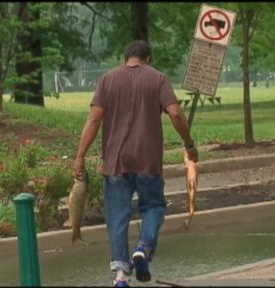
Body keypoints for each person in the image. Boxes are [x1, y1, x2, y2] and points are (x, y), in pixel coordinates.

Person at [74, 40, 198, 287]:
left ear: (125, 59)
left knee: (117, 216)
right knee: (153, 207)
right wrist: (189, 144)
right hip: (148, 161)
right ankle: (143, 247)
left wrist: (79, 156)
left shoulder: (107, 80)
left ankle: (120, 276)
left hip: (116, 162)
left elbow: (94, 118)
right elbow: (175, 113)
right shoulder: (158, 79)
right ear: (148, 59)